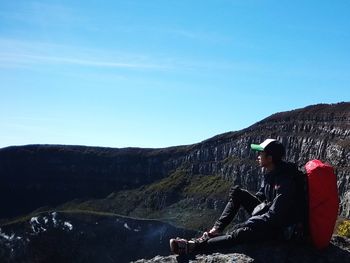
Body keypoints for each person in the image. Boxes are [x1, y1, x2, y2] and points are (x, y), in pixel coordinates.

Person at [170, 139, 306, 255]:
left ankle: (195, 246)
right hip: (270, 216)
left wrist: (250, 223)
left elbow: (276, 216)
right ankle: (215, 231)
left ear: (270, 158)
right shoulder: (271, 173)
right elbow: (261, 197)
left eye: (260, 153)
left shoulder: (285, 181)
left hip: (282, 229)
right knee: (238, 193)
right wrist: (245, 199)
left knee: (241, 233)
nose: (257, 156)